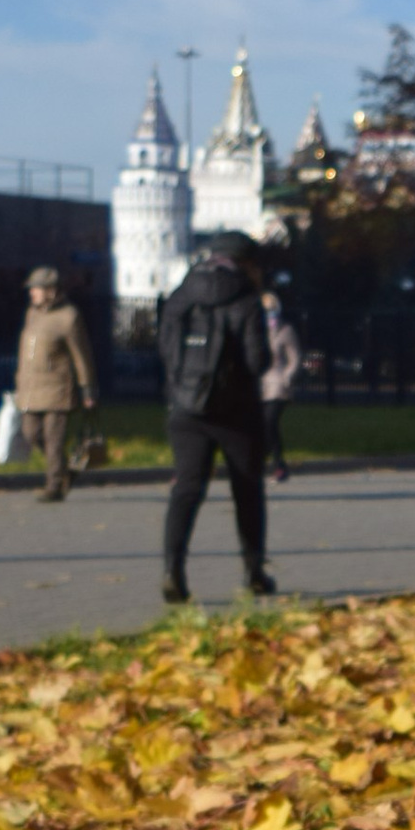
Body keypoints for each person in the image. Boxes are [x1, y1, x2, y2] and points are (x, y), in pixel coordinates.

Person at [156, 227, 277, 604]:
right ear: (246, 263)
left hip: (185, 408)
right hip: (236, 411)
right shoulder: (247, 299)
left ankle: (173, 569)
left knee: (187, 489)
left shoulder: (181, 293)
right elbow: (258, 361)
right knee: (247, 490)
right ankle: (253, 571)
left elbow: (165, 348)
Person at [13, 265, 98, 501]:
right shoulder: (32, 313)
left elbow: (82, 355)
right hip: (31, 388)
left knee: (54, 438)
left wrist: (88, 388)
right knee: (31, 433)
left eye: (36, 288)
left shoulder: (69, 317)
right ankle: (63, 471)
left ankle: (54, 487)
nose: (32, 293)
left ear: (51, 290)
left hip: (58, 388)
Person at [260, 280, 302, 487]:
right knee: (265, 427)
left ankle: (277, 465)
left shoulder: (285, 331)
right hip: (260, 385)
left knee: (269, 422)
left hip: (277, 385)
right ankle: (276, 464)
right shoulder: (257, 330)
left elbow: (294, 358)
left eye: (271, 309)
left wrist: (286, 377)